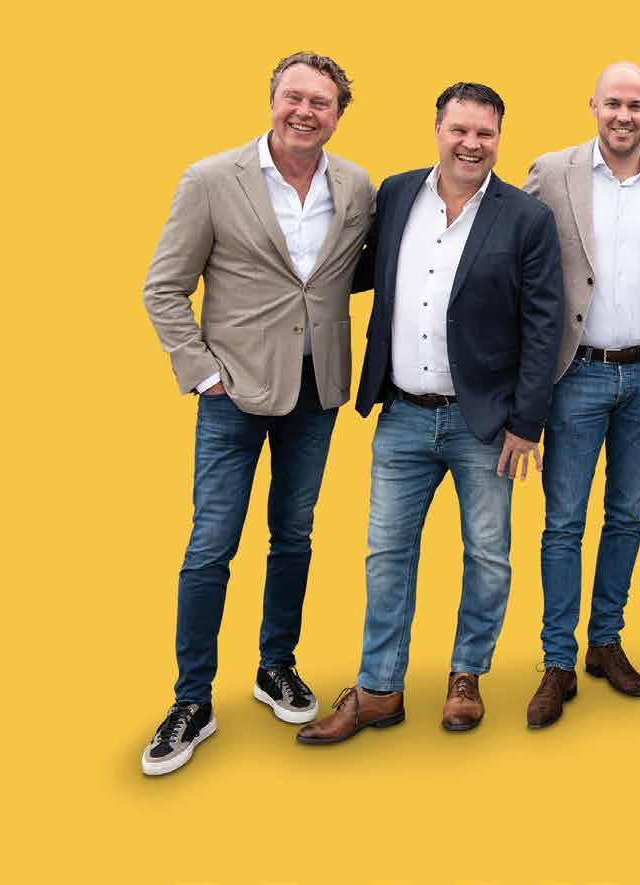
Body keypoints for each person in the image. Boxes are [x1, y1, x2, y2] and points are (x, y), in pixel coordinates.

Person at [297, 82, 563, 745]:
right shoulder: (395, 195)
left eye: (484, 133)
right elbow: (346, 270)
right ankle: (378, 688)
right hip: (402, 415)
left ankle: (466, 676)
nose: (471, 144)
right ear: (438, 130)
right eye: (459, 130)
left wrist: (526, 423)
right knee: (386, 554)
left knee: (488, 556)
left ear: (499, 138)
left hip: (486, 424)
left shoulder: (526, 218)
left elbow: (543, 326)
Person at [140, 51, 373, 775]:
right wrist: (204, 375)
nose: (305, 111)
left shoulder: (356, 186)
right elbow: (163, 287)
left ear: (337, 115)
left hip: (316, 390)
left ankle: (277, 665)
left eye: (321, 102)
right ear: (273, 100)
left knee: (293, 535)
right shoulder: (212, 179)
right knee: (211, 545)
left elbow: (349, 273)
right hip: (233, 394)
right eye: (294, 97)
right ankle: (191, 699)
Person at [520, 61, 640, 728]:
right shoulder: (551, 172)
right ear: (593, 106)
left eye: (636, 106)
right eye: (614, 103)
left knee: (626, 515)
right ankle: (556, 660)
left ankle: (605, 641)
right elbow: (515, 260)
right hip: (575, 373)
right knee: (564, 519)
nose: (624, 115)